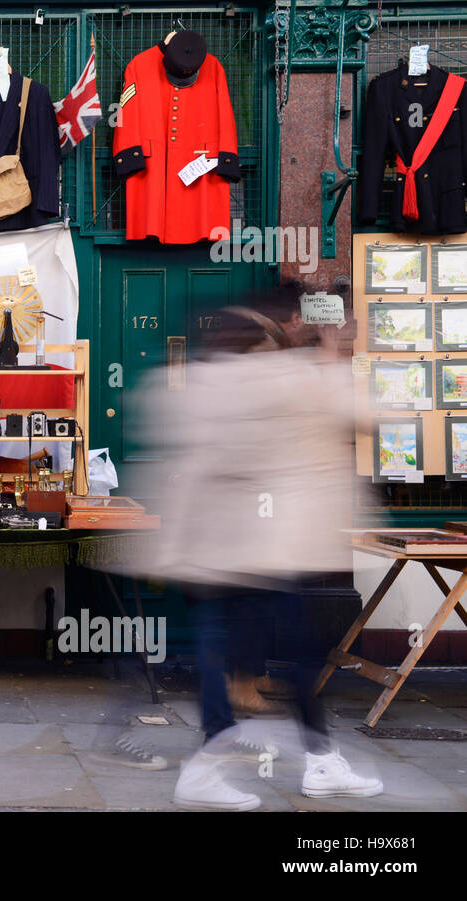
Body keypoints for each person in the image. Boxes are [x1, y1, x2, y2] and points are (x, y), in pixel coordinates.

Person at [141, 292, 383, 810]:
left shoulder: (192, 385)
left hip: (207, 551)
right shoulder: (278, 382)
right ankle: (316, 762)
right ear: (266, 334)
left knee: (224, 653)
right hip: (257, 551)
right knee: (296, 654)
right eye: (285, 324)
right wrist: (330, 349)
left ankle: (231, 764)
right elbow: (361, 412)